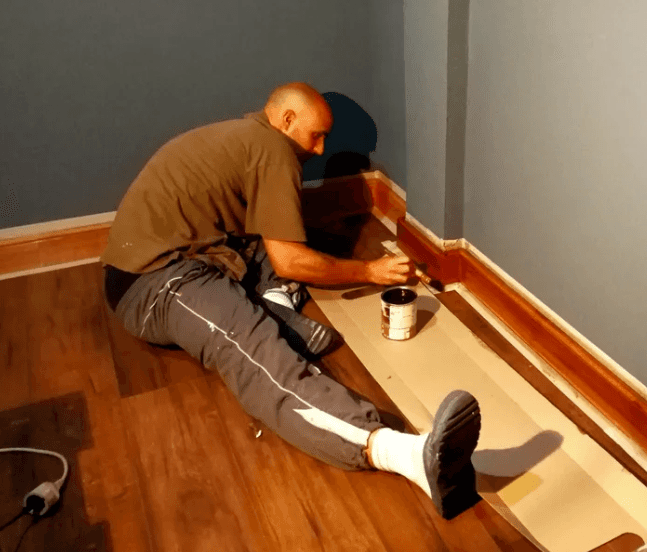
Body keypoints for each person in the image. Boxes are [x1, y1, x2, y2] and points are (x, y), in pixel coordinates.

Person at [100, 82, 481, 520]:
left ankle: (277, 309)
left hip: (199, 250)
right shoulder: (274, 150)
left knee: (288, 248)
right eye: (315, 136)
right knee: (251, 347)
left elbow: (276, 245)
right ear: (286, 121)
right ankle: (405, 455)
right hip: (152, 282)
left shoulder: (250, 138)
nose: (319, 151)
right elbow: (291, 260)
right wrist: (369, 272)